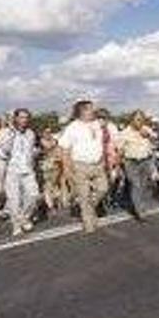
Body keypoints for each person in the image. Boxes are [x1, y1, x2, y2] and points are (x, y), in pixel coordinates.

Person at [59, 100, 109, 233]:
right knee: (84, 195)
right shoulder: (72, 127)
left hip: (98, 165)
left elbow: (104, 139)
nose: (94, 110)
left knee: (103, 189)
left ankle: (89, 208)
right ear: (82, 111)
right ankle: (88, 223)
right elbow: (64, 149)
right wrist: (66, 169)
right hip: (80, 166)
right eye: (90, 108)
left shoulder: (98, 124)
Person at [0, 108, 39, 236]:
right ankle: (16, 225)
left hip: (28, 169)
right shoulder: (6, 133)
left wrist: (35, 153)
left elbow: (32, 149)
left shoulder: (31, 133)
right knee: (14, 200)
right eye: (21, 117)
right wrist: (9, 138)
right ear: (16, 119)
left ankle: (24, 217)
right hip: (11, 170)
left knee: (33, 196)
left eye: (26, 117)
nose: (24, 120)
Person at [117, 110, 158, 220]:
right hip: (131, 162)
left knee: (144, 185)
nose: (139, 122)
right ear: (132, 120)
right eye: (137, 119)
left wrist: (148, 135)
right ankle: (140, 212)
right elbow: (120, 150)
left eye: (141, 119)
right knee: (136, 185)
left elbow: (156, 138)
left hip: (145, 160)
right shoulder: (125, 133)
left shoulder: (146, 129)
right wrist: (118, 166)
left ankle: (138, 204)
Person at [38, 127, 68, 212]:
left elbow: (58, 151)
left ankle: (57, 202)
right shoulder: (40, 142)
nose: (48, 134)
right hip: (45, 166)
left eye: (49, 132)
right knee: (48, 186)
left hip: (56, 166)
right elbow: (48, 148)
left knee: (55, 185)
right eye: (46, 132)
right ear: (42, 133)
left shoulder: (54, 141)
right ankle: (50, 205)